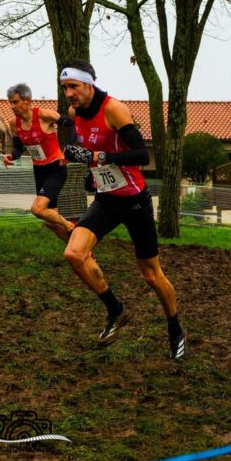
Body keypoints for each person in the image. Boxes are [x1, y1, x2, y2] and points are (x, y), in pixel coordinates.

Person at [57, 59, 186, 359]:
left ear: (89, 84)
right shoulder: (75, 114)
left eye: (73, 86)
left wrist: (100, 158)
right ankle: (115, 310)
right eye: (65, 88)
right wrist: (91, 172)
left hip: (135, 200)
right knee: (73, 253)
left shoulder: (114, 109)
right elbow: (89, 151)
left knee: (152, 275)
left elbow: (142, 155)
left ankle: (175, 328)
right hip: (106, 200)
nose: (69, 94)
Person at [2, 83, 75, 242]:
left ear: (27, 101)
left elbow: (73, 124)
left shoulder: (44, 115)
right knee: (51, 222)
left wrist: (70, 150)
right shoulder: (14, 123)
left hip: (56, 168)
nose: (12, 106)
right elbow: (18, 148)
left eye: (15, 102)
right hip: (39, 172)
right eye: (10, 103)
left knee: (37, 209)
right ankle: (79, 249)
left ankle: (71, 226)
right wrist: (11, 156)